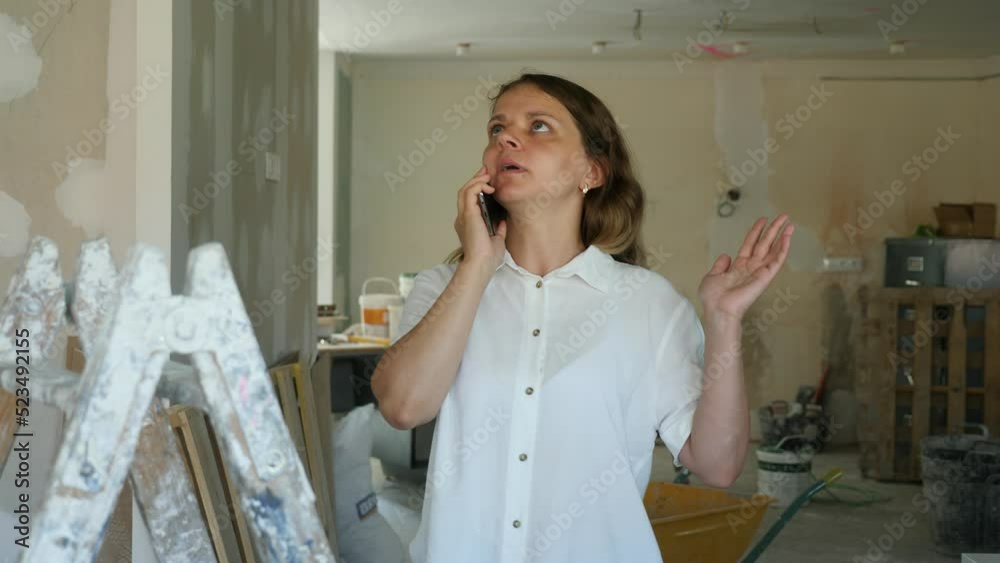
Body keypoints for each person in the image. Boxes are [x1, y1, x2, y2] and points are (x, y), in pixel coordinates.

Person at [371, 72, 794, 563]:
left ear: (591, 172)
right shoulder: (443, 287)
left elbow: (717, 465)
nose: (507, 139)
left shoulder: (648, 303)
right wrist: (476, 267)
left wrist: (724, 321)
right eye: (497, 129)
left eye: (539, 126)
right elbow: (403, 408)